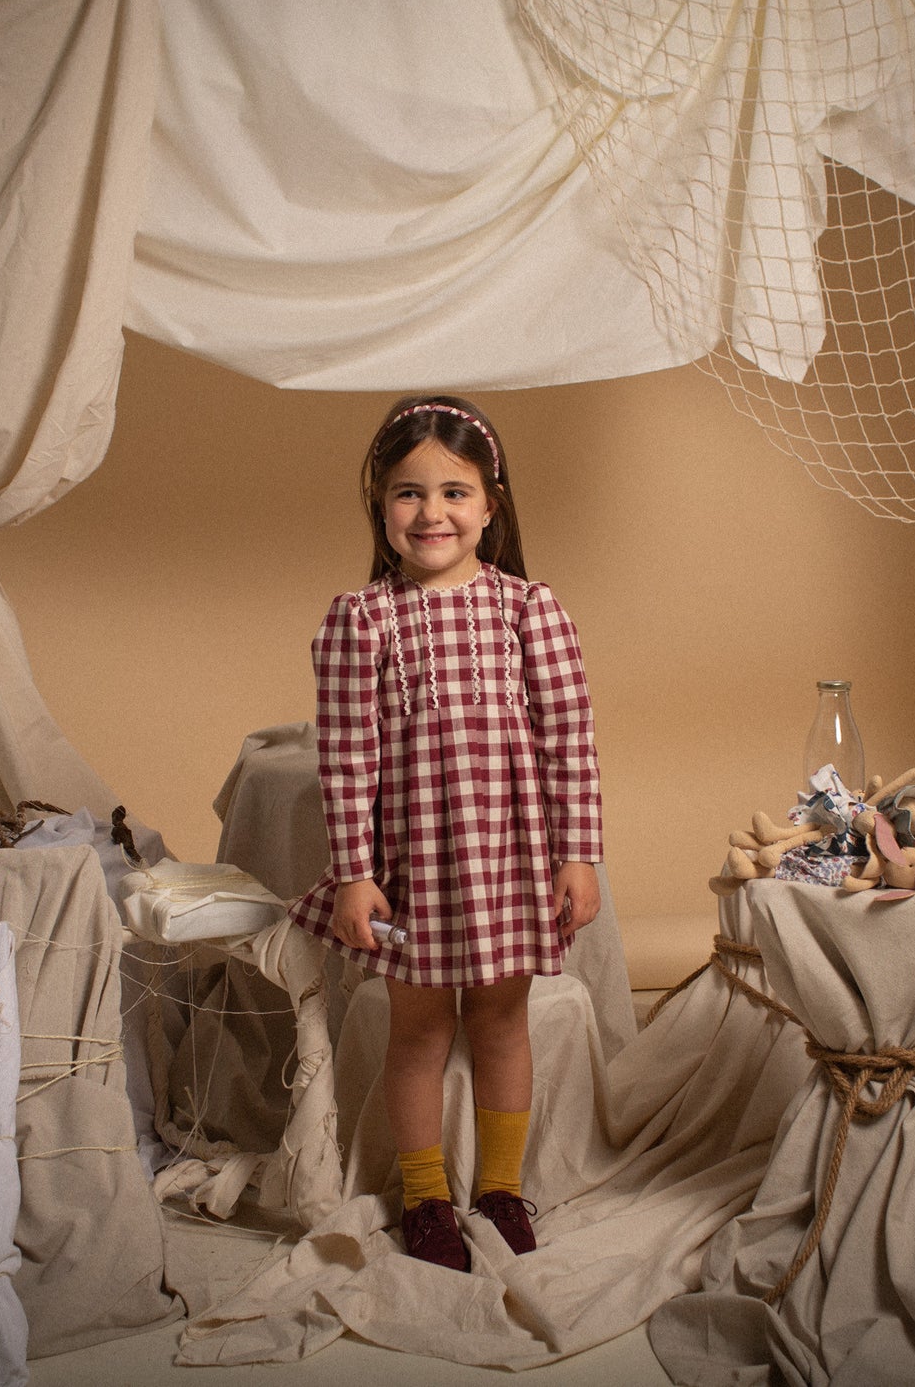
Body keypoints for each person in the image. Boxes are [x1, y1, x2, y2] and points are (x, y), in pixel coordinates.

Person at [289, 394, 604, 1271]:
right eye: (408, 493)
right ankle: (427, 1197)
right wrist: (355, 871)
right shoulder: (364, 620)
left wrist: (576, 853)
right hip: (414, 868)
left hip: (509, 862)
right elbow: (347, 758)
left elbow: (568, 738)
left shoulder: (527, 610)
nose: (432, 512)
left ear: (489, 506)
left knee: (503, 1022)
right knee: (419, 1031)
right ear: (380, 508)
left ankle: (500, 1189)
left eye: (455, 492)